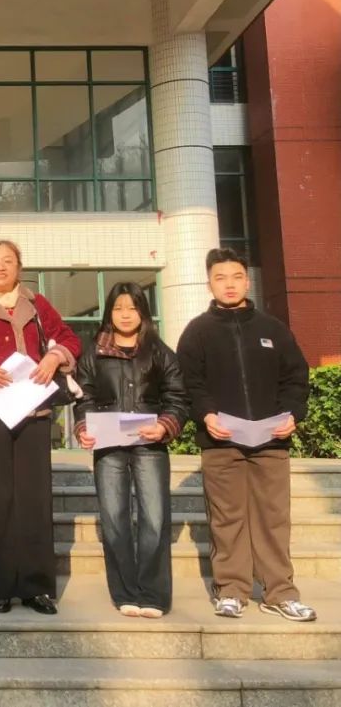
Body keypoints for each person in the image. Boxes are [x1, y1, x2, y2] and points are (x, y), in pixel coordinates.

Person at [177, 248, 314, 622]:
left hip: (271, 439)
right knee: (227, 518)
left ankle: (279, 592)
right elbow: (189, 382)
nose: (229, 284)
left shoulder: (273, 329)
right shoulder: (198, 332)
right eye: (220, 278)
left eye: (236, 276)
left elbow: (296, 378)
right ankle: (231, 590)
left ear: (247, 281)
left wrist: (292, 414)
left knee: (274, 518)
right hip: (221, 441)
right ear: (209, 283)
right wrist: (206, 414)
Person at [0, 239, 80, 615]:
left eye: (8, 261)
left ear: (19, 267)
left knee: (34, 499)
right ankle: (0, 587)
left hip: (33, 413)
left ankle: (36, 587)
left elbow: (69, 338)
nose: (1, 266)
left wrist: (54, 357)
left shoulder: (37, 304)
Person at [74, 282, 189, 618]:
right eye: (118, 308)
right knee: (114, 518)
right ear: (109, 312)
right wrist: (84, 428)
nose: (125, 315)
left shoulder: (160, 352)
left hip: (149, 443)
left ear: (143, 312)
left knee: (154, 517)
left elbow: (178, 398)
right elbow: (84, 397)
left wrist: (164, 425)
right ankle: (124, 592)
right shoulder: (94, 352)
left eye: (132, 308)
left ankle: (153, 595)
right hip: (108, 445)